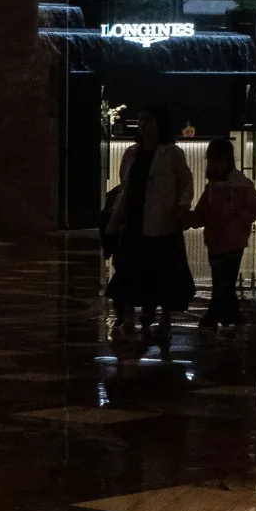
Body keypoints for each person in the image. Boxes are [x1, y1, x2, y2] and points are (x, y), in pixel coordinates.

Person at [103, 103, 195, 341]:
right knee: (128, 268)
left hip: (163, 221)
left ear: (159, 123)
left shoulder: (173, 153)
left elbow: (186, 182)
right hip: (134, 219)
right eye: (140, 120)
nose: (143, 125)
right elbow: (126, 185)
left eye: (148, 120)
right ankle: (128, 318)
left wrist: (182, 205)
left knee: (164, 272)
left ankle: (164, 319)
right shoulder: (131, 153)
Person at [187, 138, 256, 332]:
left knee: (222, 279)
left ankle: (216, 315)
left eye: (217, 161)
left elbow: (203, 213)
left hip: (228, 239)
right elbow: (203, 213)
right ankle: (231, 315)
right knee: (224, 280)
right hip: (223, 239)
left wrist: (235, 215)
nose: (214, 165)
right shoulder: (233, 185)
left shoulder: (234, 187)